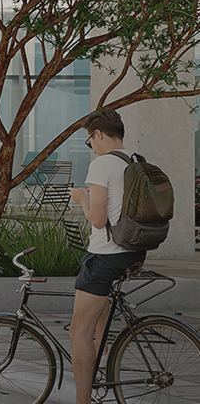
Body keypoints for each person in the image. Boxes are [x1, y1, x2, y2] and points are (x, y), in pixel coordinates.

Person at [70, 108, 150, 404]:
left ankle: (82, 402)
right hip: (134, 250)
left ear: (98, 134)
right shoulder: (136, 160)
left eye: (88, 140)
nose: (90, 146)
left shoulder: (102, 165)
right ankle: (103, 356)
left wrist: (83, 199)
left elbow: (98, 220)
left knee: (79, 332)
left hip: (105, 255)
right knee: (98, 312)